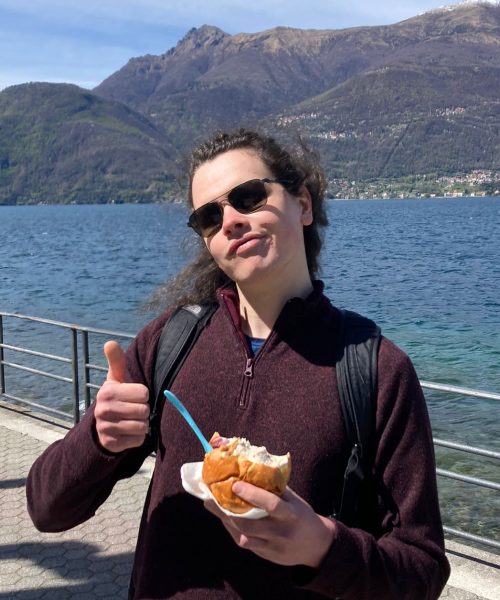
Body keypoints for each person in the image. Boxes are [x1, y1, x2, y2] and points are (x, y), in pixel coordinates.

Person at [27, 128, 450, 599]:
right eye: (209, 216)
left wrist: (325, 547)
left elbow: (423, 569)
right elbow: (45, 509)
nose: (229, 221)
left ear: (304, 205)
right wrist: (98, 441)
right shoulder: (170, 342)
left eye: (249, 196)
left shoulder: (375, 368)